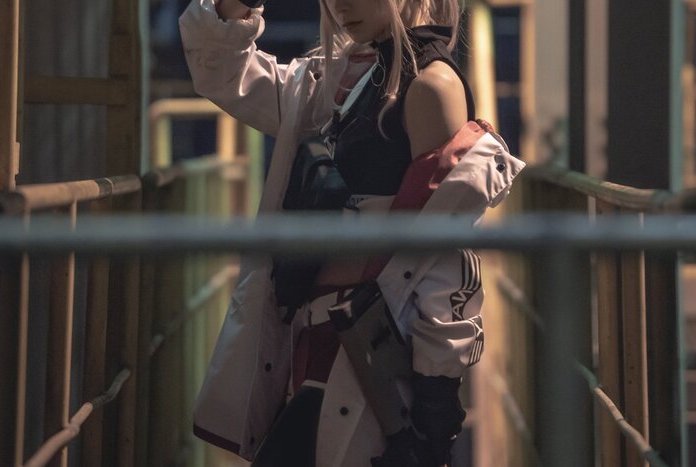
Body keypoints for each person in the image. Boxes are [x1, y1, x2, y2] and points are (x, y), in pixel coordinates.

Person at [179, 0, 525, 465]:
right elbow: (221, 69)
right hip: (315, 341)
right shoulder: (343, 78)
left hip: (367, 355)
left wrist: (435, 402)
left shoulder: (429, 86)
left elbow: (442, 256)